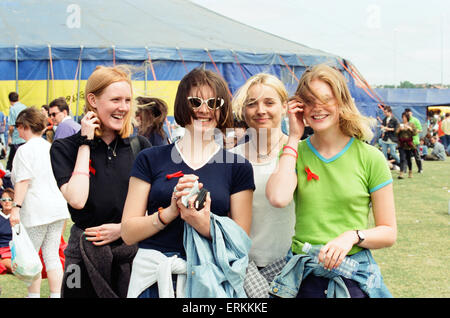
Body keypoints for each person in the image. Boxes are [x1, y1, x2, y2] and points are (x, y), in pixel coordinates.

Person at [121, 68, 255, 298]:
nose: (204, 109)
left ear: (222, 109)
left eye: (213, 102)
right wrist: (171, 211)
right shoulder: (150, 159)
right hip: (152, 281)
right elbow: (128, 233)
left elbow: (240, 241)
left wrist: (202, 223)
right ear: (183, 106)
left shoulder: (238, 167)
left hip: (208, 282)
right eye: (195, 101)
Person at [266, 64, 396, 298]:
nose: (317, 108)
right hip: (302, 280)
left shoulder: (370, 158)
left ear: (341, 103)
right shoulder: (294, 152)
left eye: (326, 99)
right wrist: (294, 136)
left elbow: (388, 232)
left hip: (352, 278)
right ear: (300, 107)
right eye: (310, 101)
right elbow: (277, 198)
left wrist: (353, 236)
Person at [50, 65, 151, 298]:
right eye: (115, 99)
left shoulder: (140, 147)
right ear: (93, 100)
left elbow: (154, 207)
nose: (123, 108)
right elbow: (77, 199)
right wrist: (85, 143)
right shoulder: (65, 148)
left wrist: (123, 229)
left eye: (127, 100)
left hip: (131, 256)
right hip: (83, 256)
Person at [231, 73, 295, 297]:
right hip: (244, 272)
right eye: (252, 104)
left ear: (285, 107)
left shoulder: (302, 152)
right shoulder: (231, 158)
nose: (260, 110)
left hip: (292, 270)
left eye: (269, 102)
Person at [8, 107, 70, 298]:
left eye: (18, 126)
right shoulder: (50, 147)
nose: (17, 130)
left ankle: (33, 295)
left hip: (36, 210)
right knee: (52, 255)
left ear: (25, 126)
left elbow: (23, 181)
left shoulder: (25, 150)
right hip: (57, 208)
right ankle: (55, 295)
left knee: (31, 255)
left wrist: (15, 207)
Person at [6, 92, 27, 171]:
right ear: (18, 98)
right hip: (26, 137)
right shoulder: (25, 107)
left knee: (12, 161)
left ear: (9, 100)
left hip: (16, 138)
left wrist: (9, 137)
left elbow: (11, 126)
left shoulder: (12, 109)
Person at [396, 112, 417, 179]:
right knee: (402, 158)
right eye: (403, 117)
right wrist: (399, 129)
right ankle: (401, 173)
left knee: (408, 159)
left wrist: (410, 129)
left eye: (405, 117)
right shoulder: (400, 124)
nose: (403, 118)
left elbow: (415, 133)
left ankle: (410, 172)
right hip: (401, 144)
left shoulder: (411, 124)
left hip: (408, 144)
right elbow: (396, 133)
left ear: (407, 118)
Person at [0, 188, 14, 275]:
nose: (7, 202)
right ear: (0, 202)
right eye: (4, 200)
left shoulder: (19, 215)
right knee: (15, 268)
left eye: (10, 199)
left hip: (15, 249)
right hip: (2, 249)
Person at [405, 108, 423, 173]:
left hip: (414, 141)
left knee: (417, 156)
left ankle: (420, 169)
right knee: (407, 157)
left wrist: (412, 130)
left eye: (409, 113)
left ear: (411, 113)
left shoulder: (415, 120)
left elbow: (420, 130)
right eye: (407, 113)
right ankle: (407, 170)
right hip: (406, 141)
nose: (408, 115)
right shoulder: (405, 121)